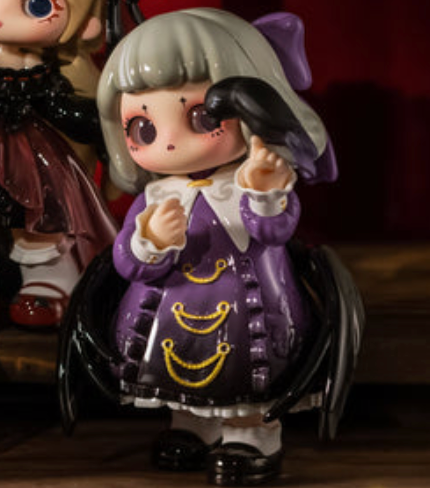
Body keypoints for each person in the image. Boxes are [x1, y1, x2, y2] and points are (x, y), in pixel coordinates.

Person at [60, 8, 363, 485]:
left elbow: (273, 233)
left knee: (249, 375)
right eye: (143, 128)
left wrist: (264, 194)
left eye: (202, 117)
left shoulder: (252, 180)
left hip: (250, 308)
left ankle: (252, 436)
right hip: (167, 313)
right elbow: (126, 262)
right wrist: (150, 241)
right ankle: (191, 425)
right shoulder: (155, 195)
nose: (170, 143)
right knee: (171, 368)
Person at [0, 0, 117, 327]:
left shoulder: (38, 71)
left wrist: (88, 121)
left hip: (25, 160)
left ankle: (46, 278)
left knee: (38, 215)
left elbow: (63, 110)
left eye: (37, 5)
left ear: (86, 23)